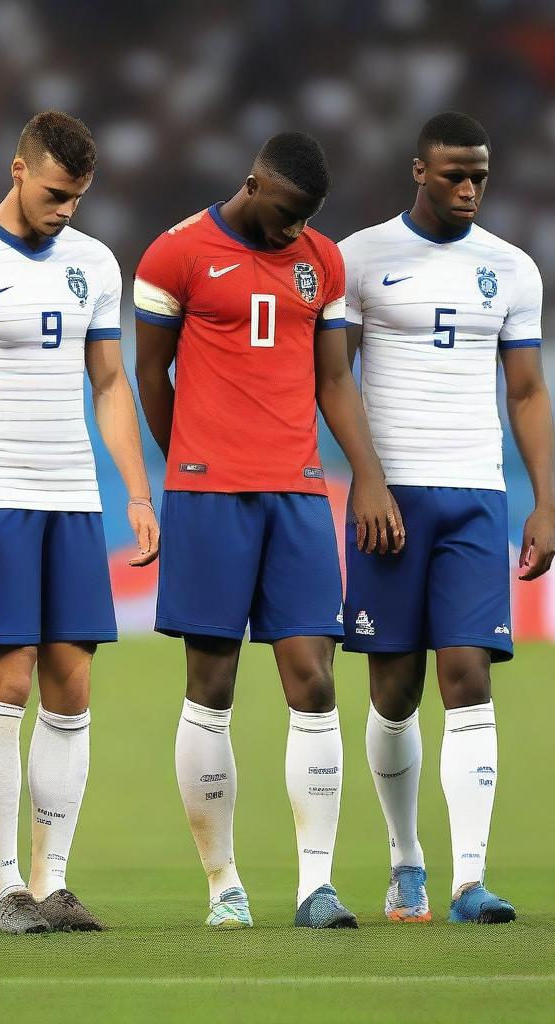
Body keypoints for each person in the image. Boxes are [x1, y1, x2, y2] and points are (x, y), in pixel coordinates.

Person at [134, 132, 402, 930]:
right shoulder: (174, 255)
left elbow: (334, 380)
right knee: (211, 686)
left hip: (296, 493)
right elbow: (152, 373)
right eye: (283, 216)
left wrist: (369, 476)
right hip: (209, 495)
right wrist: (190, 460)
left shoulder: (323, 261)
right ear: (253, 183)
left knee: (313, 679)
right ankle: (224, 885)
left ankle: (315, 886)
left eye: (304, 221)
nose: (291, 234)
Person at [0, 110, 159, 934]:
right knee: (6, 679)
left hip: (75, 501)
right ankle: (4, 887)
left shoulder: (94, 263)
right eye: (57, 193)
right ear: (18, 170)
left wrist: (135, 490)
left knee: (73, 684)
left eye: (80, 197)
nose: (68, 210)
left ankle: (54, 882)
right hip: (0, 498)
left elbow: (111, 385)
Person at [338, 111, 555, 925]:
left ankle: (471, 880)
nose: (469, 190)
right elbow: (337, 379)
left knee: (467, 676)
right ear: (418, 172)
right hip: (390, 500)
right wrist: (365, 480)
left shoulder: (512, 270)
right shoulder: (360, 258)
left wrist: (545, 500)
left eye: (481, 178)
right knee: (394, 692)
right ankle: (406, 865)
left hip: (474, 496)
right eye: (455, 175)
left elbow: (527, 392)